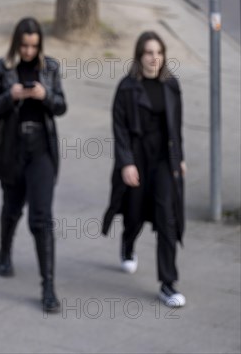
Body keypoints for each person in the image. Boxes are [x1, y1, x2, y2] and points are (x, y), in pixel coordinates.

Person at [0, 17, 67, 313]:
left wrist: (46, 96)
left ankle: (48, 287)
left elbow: (61, 106)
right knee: (12, 208)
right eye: (25, 45)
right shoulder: (0, 68)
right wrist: (11, 95)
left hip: (42, 150)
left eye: (34, 46)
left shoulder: (50, 68)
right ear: (16, 43)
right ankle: (4, 250)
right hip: (12, 149)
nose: (29, 51)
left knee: (41, 218)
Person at [102, 31, 186, 308]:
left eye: (159, 53)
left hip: (163, 160)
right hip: (137, 157)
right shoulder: (127, 87)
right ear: (139, 56)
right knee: (135, 212)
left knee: (167, 218)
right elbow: (119, 128)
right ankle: (128, 244)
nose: (155, 58)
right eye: (149, 53)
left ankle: (167, 284)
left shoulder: (171, 85)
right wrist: (126, 162)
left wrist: (180, 158)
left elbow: (176, 126)